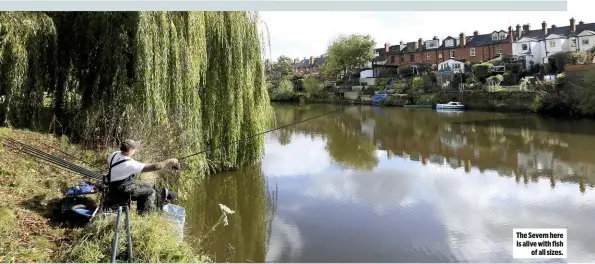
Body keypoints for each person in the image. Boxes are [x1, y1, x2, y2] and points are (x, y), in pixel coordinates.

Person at [106, 139, 179, 215]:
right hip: (121, 191)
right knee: (150, 192)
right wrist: (169, 161)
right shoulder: (129, 164)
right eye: (135, 148)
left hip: (115, 184)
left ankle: (163, 197)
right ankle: (143, 215)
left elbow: (109, 163)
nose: (136, 149)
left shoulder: (115, 154)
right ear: (130, 150)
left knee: (149, 185)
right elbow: (155, 167)